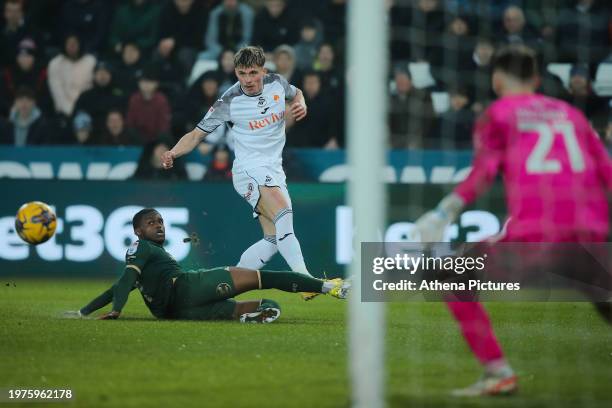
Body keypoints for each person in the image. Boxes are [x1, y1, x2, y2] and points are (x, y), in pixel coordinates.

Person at [411, 45, 612, 396]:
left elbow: (483, 174)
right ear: (536, 79)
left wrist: (444, 211)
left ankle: (498, 372)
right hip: (595, 232)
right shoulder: (571, 115)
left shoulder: (500, 113)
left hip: (540, 234)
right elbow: (607, 173)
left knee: (454, 277)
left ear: (497, 79)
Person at [161, 46, 318, 299]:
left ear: (263, 71)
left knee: (274, 239)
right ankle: (305, 280)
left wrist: (301, 103)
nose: (248, 79)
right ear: (236, 72)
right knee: (283, 214)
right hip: (248, 169)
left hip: (273, 168)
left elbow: (297, 93)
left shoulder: (277, 83)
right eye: (242, 73)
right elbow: (195, 135)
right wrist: (172, 153)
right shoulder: (229, 101)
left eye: (253, 72)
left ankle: (220, 290)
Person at [64, 208, 349, 322]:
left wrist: (83, 311)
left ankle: (247, 315)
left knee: (267, 304)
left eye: (161, 221)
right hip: (190, 288)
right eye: (151, 223)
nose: (159, 226)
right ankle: (329, 287)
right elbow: (125, 281)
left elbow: (118, 286)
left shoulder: (141, 254)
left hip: (177, 313)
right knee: (268, 277)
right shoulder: (143, 247)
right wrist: (116, 310)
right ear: (138, 231)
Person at [47, 34, 96, 117]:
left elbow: (92, 89)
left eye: (74, 43)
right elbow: (58, 94)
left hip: (87, 111)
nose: (72, 46)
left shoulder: (91, 61)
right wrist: (72, 112)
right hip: (63, 112)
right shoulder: (55, 64)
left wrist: (83, 111)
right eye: (69, 43)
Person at [126, 66, 172, 143]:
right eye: (143, 81)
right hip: (137, 139)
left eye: (149, 81)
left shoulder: (161, 100)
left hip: (157, 140)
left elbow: (164, 126)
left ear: (156, 84)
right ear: (139, 83)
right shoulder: (134, 99)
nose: (146, 85)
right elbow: (130, 123)